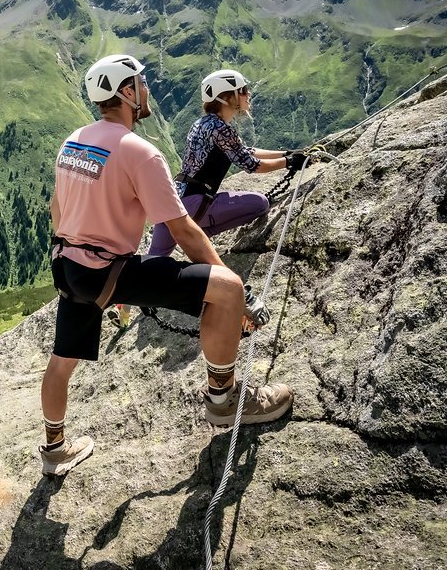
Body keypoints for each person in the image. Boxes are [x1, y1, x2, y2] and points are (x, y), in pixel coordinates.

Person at [40, 54, 293, 476]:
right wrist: (240, 294)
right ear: (126, 93)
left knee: (62, 359)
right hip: (110, 270)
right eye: (142, 82)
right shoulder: (140, 153)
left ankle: (54, 450)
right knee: (227, 290)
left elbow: (56, 208)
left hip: (68, 267)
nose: (148, 88)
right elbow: (185, 231)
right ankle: (224, 400)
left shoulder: (73, 141)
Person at [147, 68, 305, 258]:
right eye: (243, 90)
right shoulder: (221, 128)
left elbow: (244, 151)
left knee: (153, 258)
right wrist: (288, 162)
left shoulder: (203, 123)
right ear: (228, 96)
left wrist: (286, 153)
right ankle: (202, 233)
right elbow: (252, 165)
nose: (248, 94)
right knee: (261, 204)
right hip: (197, 205)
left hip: (173, 201)